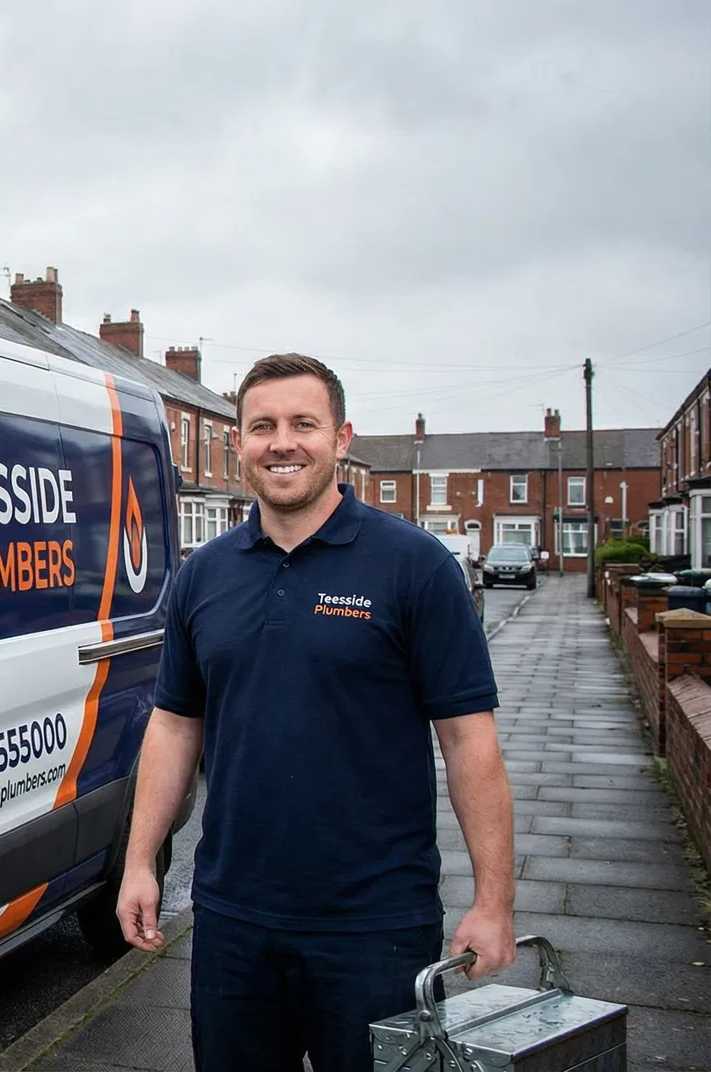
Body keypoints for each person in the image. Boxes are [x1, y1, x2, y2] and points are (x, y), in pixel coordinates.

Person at [115, 353, 515, 1071]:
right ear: (240, 443)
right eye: (262, 426)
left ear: (342, 437)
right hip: (234, 919)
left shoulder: (414, 566)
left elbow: (467, 741)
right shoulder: (204, 574)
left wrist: (493, 901)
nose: (282, 442)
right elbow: (175, 725)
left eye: (304, 423)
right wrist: (141, 861)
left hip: (375, 925)